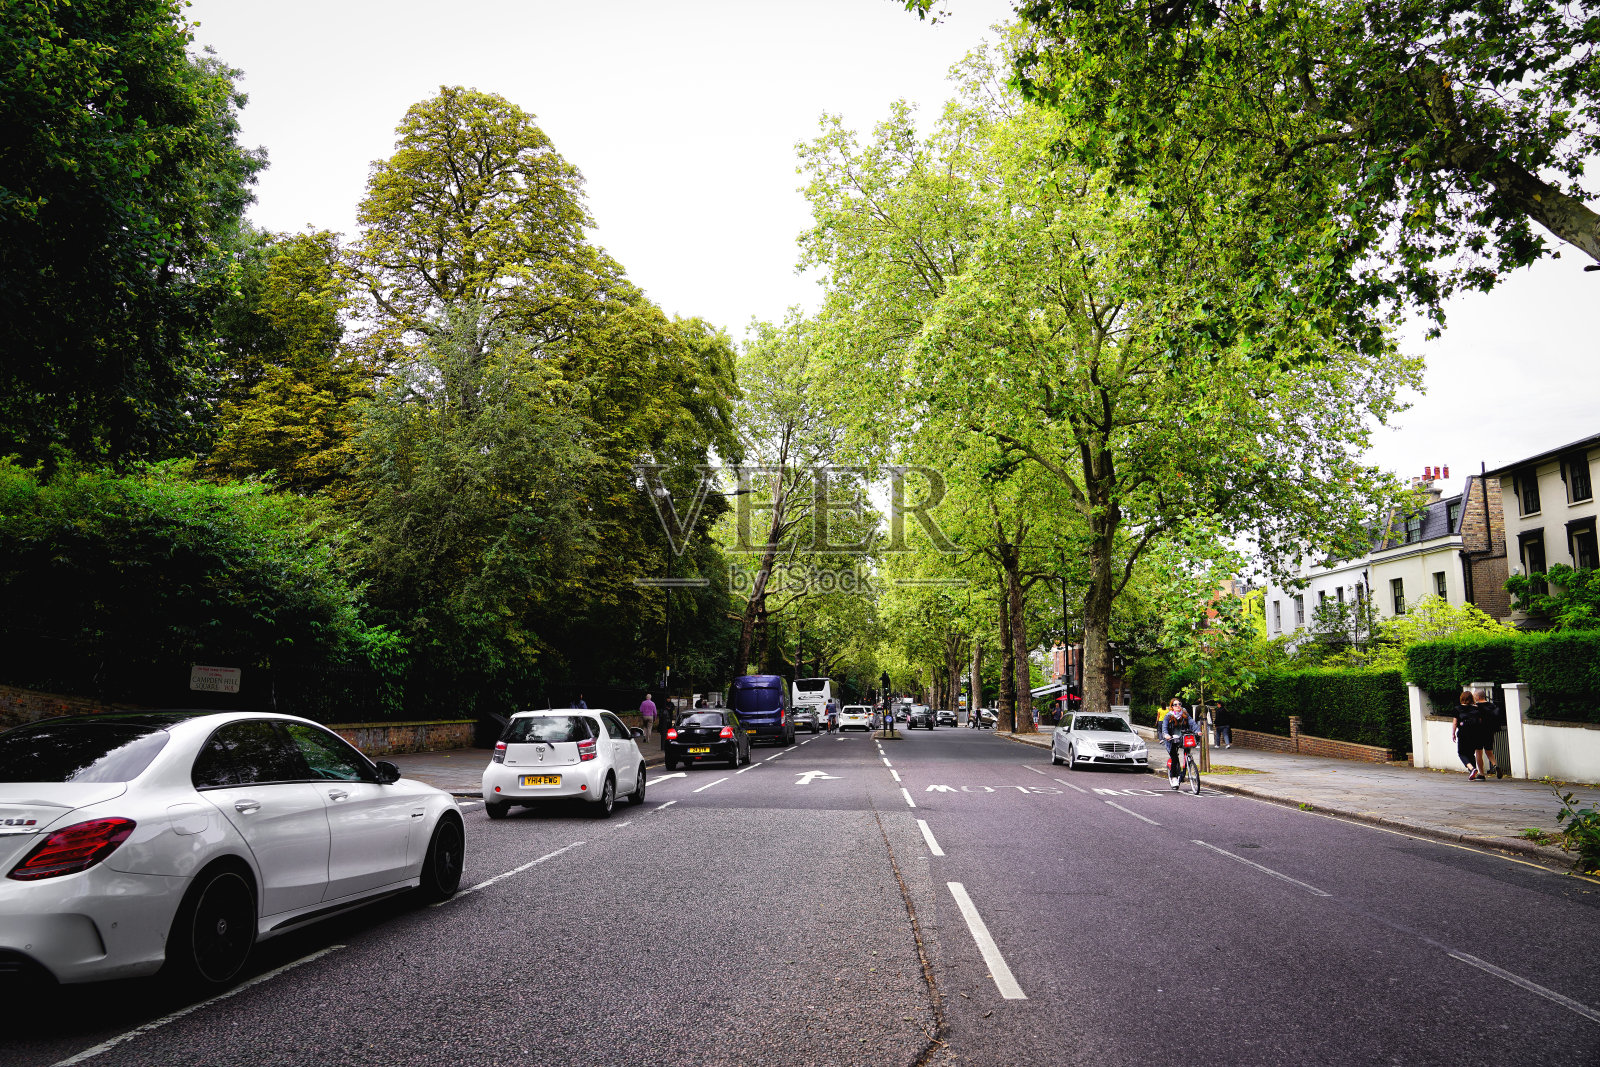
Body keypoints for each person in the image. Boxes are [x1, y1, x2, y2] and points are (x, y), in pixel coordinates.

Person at [1158, 698, 1197, 790]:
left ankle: (1184, 772)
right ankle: (1174, 777)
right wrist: (1166, 735)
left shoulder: (1185, 714)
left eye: (1179, 704)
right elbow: (1164, 728)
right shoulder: (1168, 716)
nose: (1178, 706)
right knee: (1174, 758)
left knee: (1187, 754)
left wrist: (1198, 731)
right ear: (1172, 707)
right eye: (1175, 704)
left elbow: (1192, 723)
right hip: (1171, 740)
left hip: (1182, 738)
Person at [1474, 688, 1505, 779]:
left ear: (1478, 697)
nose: (1474, 697)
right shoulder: (1493, 706)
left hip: (1478, 732)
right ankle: (1495, 765)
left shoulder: (1476, 707)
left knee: (1478, 753)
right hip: (1489, 732)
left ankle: (1482, 774)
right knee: (1489, 751)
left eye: (1475, 696)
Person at [1453, 691, 1483, 779]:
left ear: (1461, 698)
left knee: (1461, 753)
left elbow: (1455, 723)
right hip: (1475, 733)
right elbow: (1480, 721)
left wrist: (1453, 734)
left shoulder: (1457, 709)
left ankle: (1472, 768)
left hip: (1463, 733)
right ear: (1471, 698)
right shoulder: (1476, 708)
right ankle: (1473, 773)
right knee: (1471, 753)